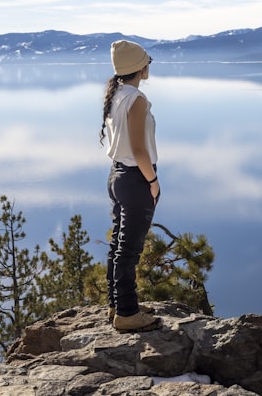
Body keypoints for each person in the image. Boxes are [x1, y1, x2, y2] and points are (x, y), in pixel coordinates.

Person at [100, 40, 161, 332]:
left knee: (118, 247)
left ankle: (118, 304)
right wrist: (153, 181)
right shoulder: (136, 99)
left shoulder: (116, 95)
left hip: (116, 176)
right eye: (147, 62)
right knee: (129, 250)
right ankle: (126, 314)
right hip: (136, 178)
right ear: (140, 67)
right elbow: (139, 150)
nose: (149, 66)